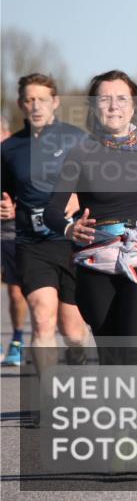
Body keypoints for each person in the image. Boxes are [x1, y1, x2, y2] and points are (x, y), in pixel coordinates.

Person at [44, 70, 137, 366]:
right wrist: (69, 229)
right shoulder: (80, 153)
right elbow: (52, 211)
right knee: (111, 356)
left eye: (121, 99)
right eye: (104, 99)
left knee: (134, 348)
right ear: (94, 108)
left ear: (134, 107)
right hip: (95, 259)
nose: (113, 106)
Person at [1, 75, 90, 375]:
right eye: (29, 100)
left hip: (73, 242)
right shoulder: (9, 149)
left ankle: (78, 362)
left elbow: (101, 184)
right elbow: (5, 192)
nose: (36, 105)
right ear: (21, 104)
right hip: (32, 243)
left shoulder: (77, 139)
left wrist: (80, 195)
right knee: (42, 319)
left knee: (74, 332)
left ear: (55, 102)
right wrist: (5, 206)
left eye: (42, 99)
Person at [1, 115, 28, 367]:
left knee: (15, 291)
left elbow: (33, 192)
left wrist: (16, 208)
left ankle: (18, 339)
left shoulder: (14, 156)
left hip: (13, 231)